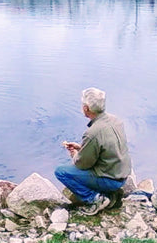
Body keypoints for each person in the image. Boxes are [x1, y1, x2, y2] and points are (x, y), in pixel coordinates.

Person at [55, 87, 131, 215]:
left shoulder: (92, 133)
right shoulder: (116, 120)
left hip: (110, 180)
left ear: (86, 108)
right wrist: (82, 148)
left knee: (61, 172)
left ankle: (95, 199)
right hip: (122, 175)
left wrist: (75, 154)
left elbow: (82, 164)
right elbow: (107, 149)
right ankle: (111, 195)